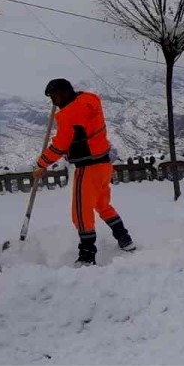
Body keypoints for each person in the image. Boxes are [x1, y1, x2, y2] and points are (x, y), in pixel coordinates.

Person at [35, 79, 135, 265]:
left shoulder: (68, 115)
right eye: (51, 98)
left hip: (87, 168)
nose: (53, 102)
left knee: (81, 213)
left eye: (55, 96)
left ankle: (87, 256)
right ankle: (124, 238)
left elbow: (59, 146)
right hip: (104, 165)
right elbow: (80, 105)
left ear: (65, 92)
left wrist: (41, 164)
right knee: (103, 205)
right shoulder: (91, 100)